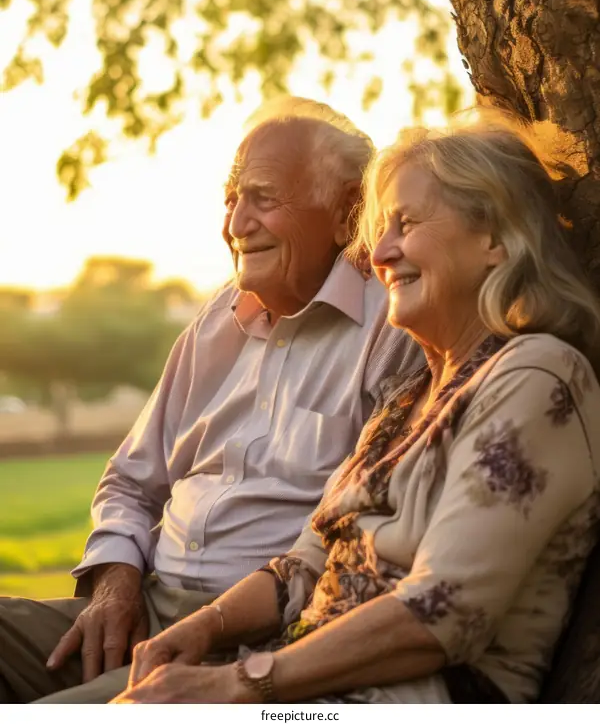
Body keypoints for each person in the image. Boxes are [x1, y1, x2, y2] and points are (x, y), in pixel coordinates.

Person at [115, 112, 600, 705]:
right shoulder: (406, 396)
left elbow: (438, 614)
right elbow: (304, 564)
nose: (380, 251)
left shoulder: (537, 377)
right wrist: (202, 628)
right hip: (309, 686)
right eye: (379, 228)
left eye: (407, 223)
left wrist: (236, 684)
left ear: (494, 239)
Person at [0, 97, 421, 705]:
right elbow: (128, 481)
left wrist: (217, 629)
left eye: (263, 198)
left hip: (254, 638)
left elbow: (361, 541)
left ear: (349, 211)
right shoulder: (215, 321)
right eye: (231, 198)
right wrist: (115, 588)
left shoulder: (392, 327)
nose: (235, 223)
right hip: (142, 606)